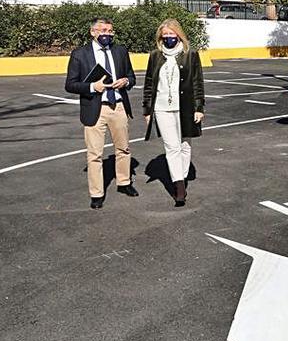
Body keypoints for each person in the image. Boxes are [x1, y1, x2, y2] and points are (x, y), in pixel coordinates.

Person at [64, 17, 138, 209]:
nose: (107, 34)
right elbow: (70, 84)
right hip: (95, 108)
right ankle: (96, 194)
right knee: (94, 154)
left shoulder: (120, 51)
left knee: (123, 149)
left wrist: (126, 82)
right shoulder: (80, 54)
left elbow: (131, 76)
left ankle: (124, 182)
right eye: (103, 30)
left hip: (118, 106)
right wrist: (92, 86)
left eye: (110, 31)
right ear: (93, 32)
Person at [142, 19, 205, 207]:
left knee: (185, 145)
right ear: (161, 36)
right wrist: (147, 110)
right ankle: (179, 187)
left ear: (179, 35)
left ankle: (182, 177)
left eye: (172, 34)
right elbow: (148, 84)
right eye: (165, 34)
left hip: (185, 107)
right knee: (172, 147)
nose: (169, 37)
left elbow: (197, 82)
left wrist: (199, 108)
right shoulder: (155, 56)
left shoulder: (190, 55)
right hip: (162, 108)